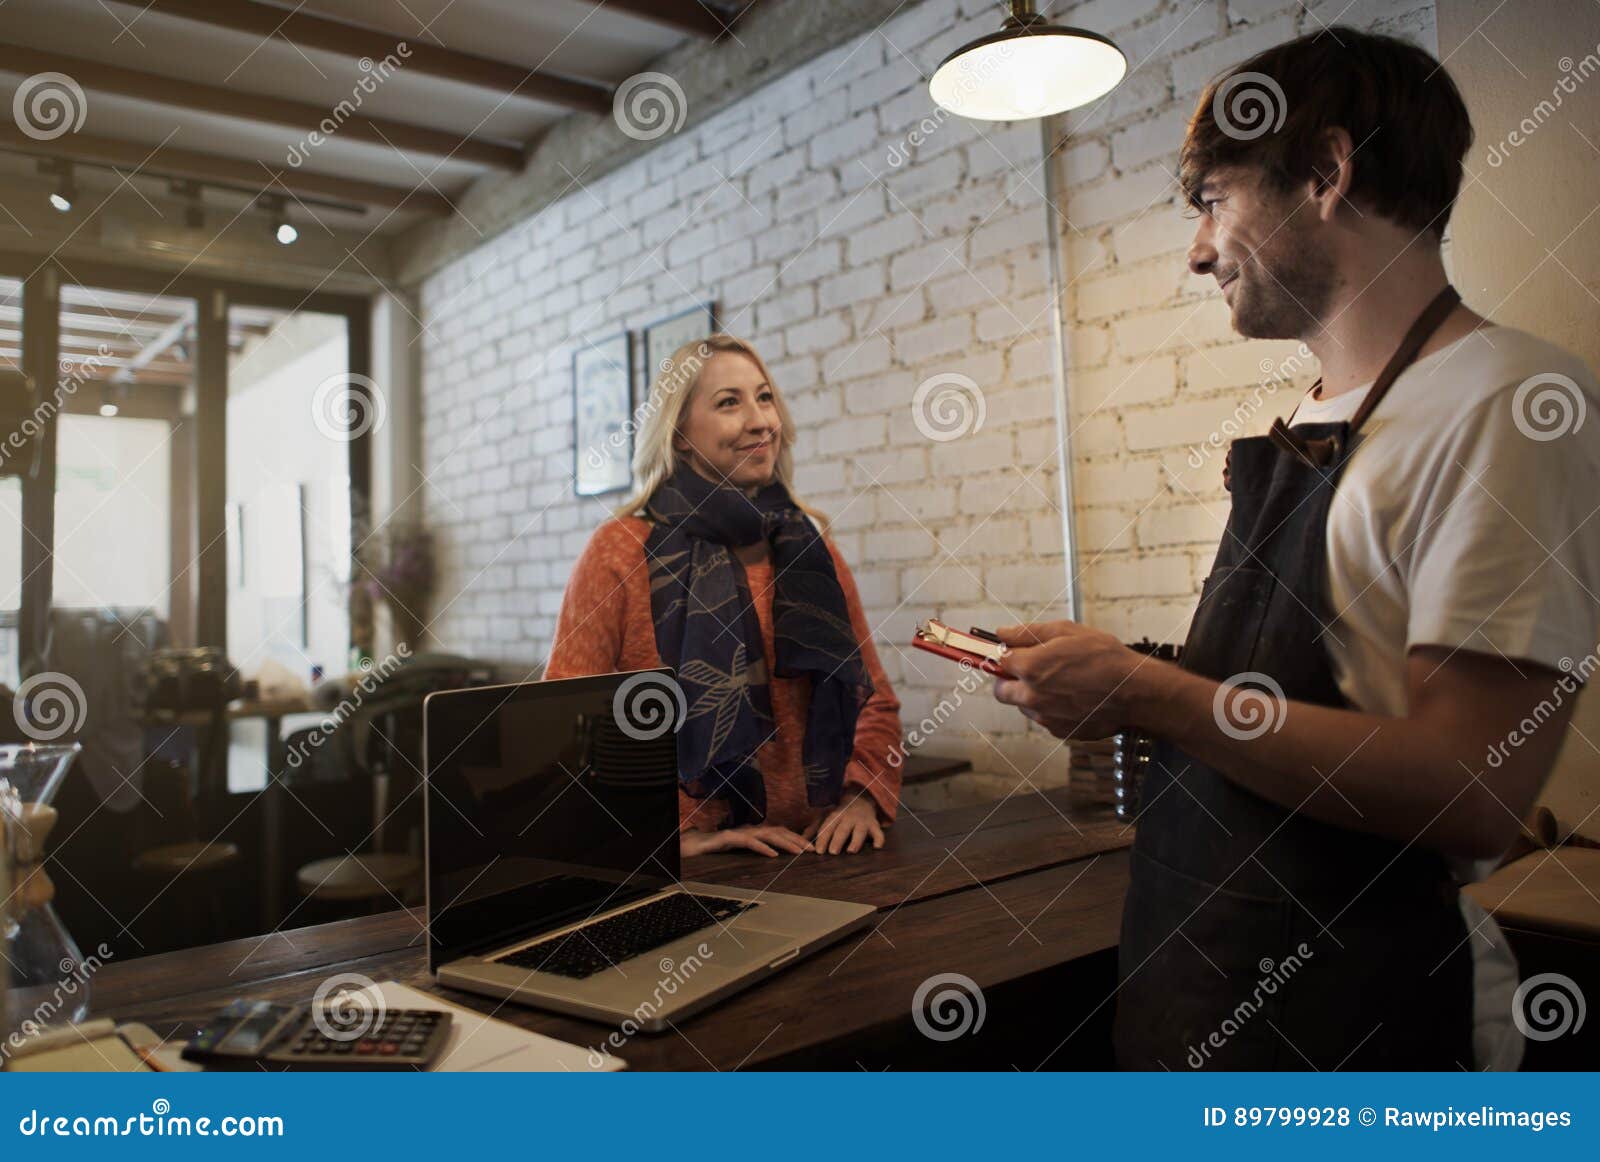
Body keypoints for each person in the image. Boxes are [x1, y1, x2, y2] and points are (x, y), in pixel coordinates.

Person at [992, 27, 1600, 1070]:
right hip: (1203, 979)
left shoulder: (1506, 402)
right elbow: (1308, 692)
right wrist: (1126, 675)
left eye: (1212, 198)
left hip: (1363, 1021)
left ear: (1325, 171)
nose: (1196, 251)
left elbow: (1473, 786)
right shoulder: (1314, 419)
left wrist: (1147, 692)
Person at [546, 333, 904, 858]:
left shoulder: (806, 546)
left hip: (814, 854)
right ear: (681, 433)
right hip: (683, 867)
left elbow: (875, 701)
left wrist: (860, 796)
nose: (761, 420)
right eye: (729, 403)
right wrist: (677, 839)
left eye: (764, 397)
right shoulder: (619, 552)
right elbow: (564, 730)